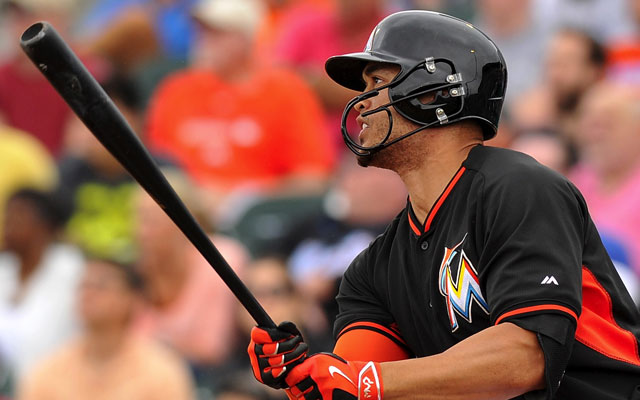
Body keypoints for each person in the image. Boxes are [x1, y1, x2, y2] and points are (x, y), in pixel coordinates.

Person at [247, 10, 640, 400]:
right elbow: (363, 381)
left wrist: (363, 382)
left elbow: (525, 358)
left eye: (377, 82)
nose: (361, 102)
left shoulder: (520, 187)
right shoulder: (373, 270)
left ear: (434, 93)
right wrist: (308, 377)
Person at [17, 258, 194, 400]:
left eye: (101, 286)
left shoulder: (161, 370)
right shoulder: (48, 369)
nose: (88, 293)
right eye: (84, 285)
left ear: (132, 299)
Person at [0, 188, 84, 383]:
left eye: (17, 217)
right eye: (7, 217)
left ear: (45, 226)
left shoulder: (72, 271)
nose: (8, 226)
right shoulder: (4, 268)